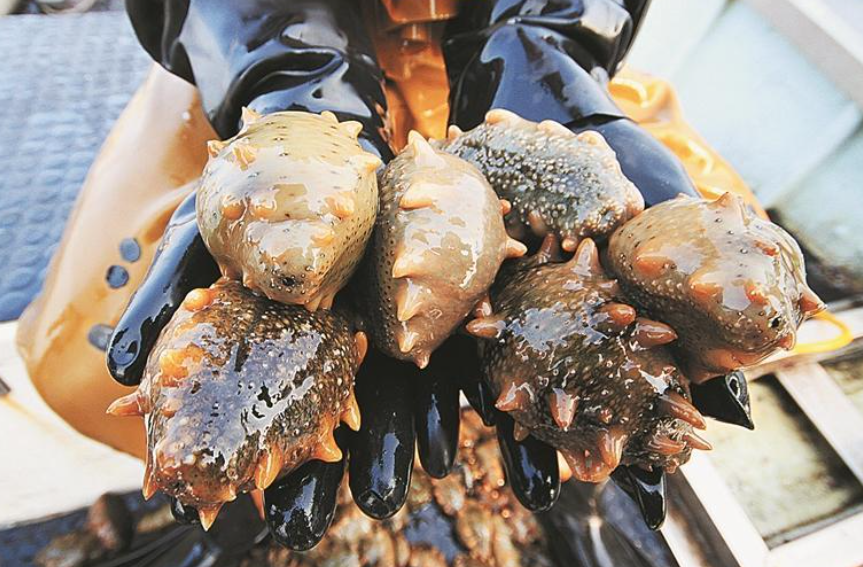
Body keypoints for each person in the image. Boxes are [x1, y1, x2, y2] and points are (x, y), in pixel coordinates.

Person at [18, 0, 758, 551]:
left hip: (505, 85)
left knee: (509, 348)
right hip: (273, 82)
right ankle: (233, 511)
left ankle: (564, 493)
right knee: (163, 344)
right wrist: (282, 61)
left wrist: (543, 40)